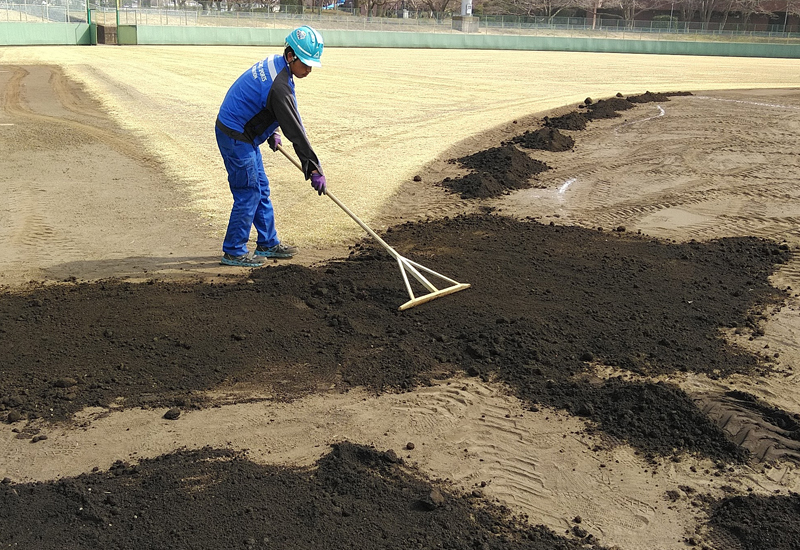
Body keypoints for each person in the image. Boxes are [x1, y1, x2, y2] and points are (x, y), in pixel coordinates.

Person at [215, 25, 328, 267]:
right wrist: (314, 168)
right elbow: (295, 130)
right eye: (305, 63)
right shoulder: (280, 86)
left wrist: (271, 130)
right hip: (236, 135)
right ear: (291, 56)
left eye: (312, 64)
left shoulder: (277, 65)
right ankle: (233, 250)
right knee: (249, 191)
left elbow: (260, 101)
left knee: (261, 187)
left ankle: (267, 243)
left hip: (243, 132)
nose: (309, 69)